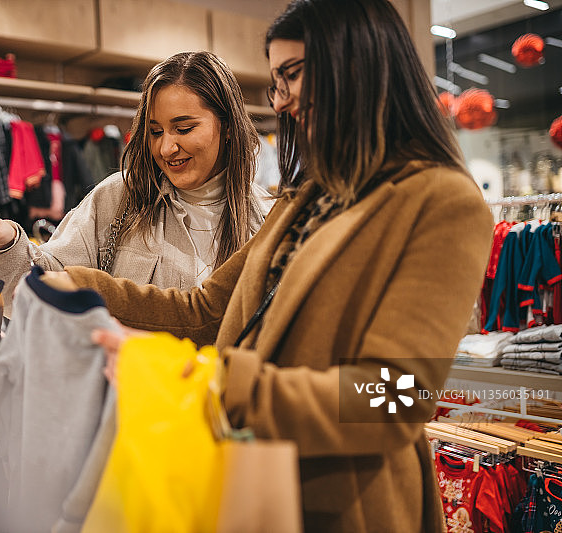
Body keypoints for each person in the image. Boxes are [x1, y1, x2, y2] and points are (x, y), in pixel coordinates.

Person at [44, 0, 494, 531]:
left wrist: (224, 385)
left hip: (346, 506)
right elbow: (206, 308)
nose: (283, 100)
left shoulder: (442, 203)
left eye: (294, 75)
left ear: (358, 63)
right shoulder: (309, 195)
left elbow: (399, 395)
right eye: (276, 82)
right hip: (251, 482)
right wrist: (67, 281)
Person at [0, 51, 274, 317]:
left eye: (184, 129)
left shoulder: (268, 221)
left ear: (228, 126)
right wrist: (8, 243)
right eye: (156, 131)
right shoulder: (120, 198)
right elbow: (45, 283)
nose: (166, 148)